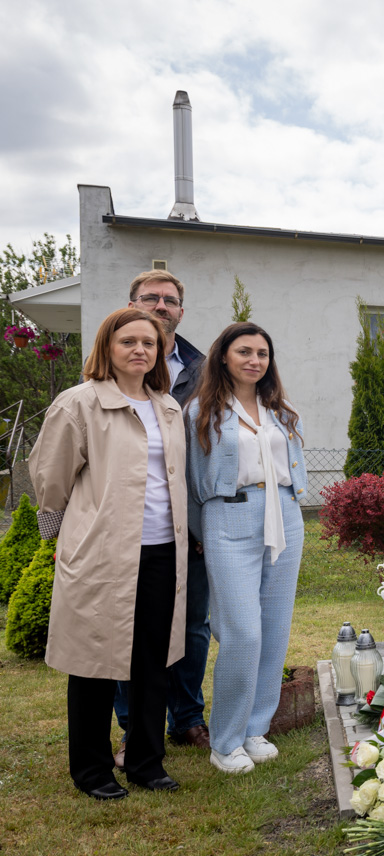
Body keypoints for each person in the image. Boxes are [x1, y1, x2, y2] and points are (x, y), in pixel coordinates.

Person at [30, 308, 188, 799]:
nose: (140, 349)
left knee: (152, 662)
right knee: (94, 661)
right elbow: (50, 477)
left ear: (160, 351)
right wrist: (61, 538)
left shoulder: (167, 406)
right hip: (101, 553)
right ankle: (92, 770)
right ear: (107, 347)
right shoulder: (79, 403)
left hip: (162, 551)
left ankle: (146, 763)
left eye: (149, 342)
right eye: (128, 341)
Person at [186, 323, 309, 773]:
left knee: (274, 629)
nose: (254, 360)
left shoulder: (282, 409)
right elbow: (191, 480)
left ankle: (256, 728)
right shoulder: (201, 411)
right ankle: (225, 741)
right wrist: (201, 534)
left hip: (284, 515)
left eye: (262, 353)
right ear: (223, 356)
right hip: (228, 516)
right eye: (244, 351)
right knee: (242, 633)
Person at [114, 270, 210, 771]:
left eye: (169, 300)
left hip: (190, 521)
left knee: (192, 624)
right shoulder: (109, 367)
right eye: (149, 298)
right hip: (131, 524)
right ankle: (133, 727)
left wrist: (204, 522)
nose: (160, 305)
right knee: (130, 628)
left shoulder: (204, 369)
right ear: (131, 304)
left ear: (180, 311)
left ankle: (187, 718)